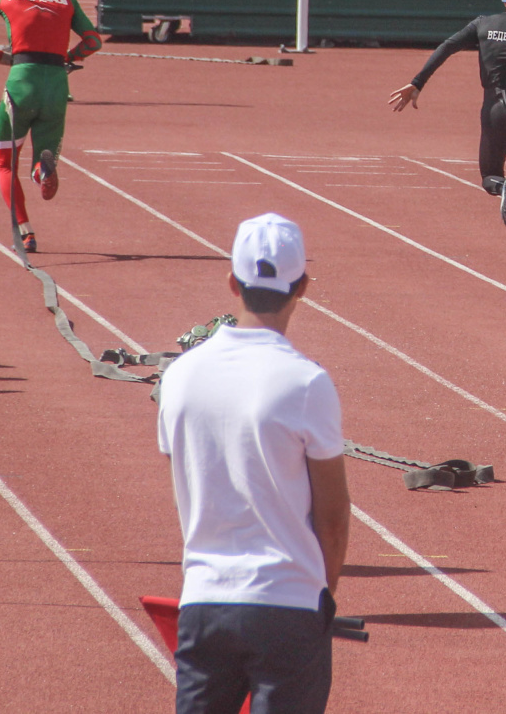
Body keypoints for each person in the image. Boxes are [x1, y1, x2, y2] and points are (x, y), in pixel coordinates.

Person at [158, 212, 350, 714]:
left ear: (231, 283)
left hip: (203, 602)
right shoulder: (307, 383)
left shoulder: (180, 377)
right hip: (287, 606)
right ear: (302, 287)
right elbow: (332, 518)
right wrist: (321, 598)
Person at [389, 0, 506, 281]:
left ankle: (501, 188)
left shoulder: (483, 24)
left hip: (493, 109)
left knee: (488, 176)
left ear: (505, 1)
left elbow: (447, 47)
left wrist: (417, 83)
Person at [0, 0, 102, 254]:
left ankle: (26, 233)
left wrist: (6, 60)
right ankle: (43, 171)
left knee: (5, 163)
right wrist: (68, 58)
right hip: (56, 84)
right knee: (41, 156)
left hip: (21, 80)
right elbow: (92, 41)